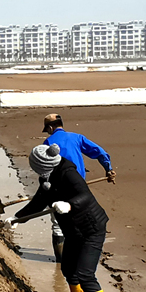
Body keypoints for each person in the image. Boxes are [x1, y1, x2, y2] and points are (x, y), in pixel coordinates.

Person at [9, 143, 111, 292]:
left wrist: (69, 205)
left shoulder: (68, 173)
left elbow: (85, 196)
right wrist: (17, 218)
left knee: (85, 274)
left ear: (42, 165)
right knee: (68, 270)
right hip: (73, 230)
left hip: (91, 229)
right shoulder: (46, 177)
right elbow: (38, 203)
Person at [42, 113, 116, 263]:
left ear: (50, 127)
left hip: (58, 188)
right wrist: (108, 169)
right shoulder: (76, 137)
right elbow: (99, 152)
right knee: (81, 219)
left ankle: (61, 262)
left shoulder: (48, 142)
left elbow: (44, 168)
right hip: (79, 188)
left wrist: (44, 189)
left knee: (58, 224)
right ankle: (81, 257)